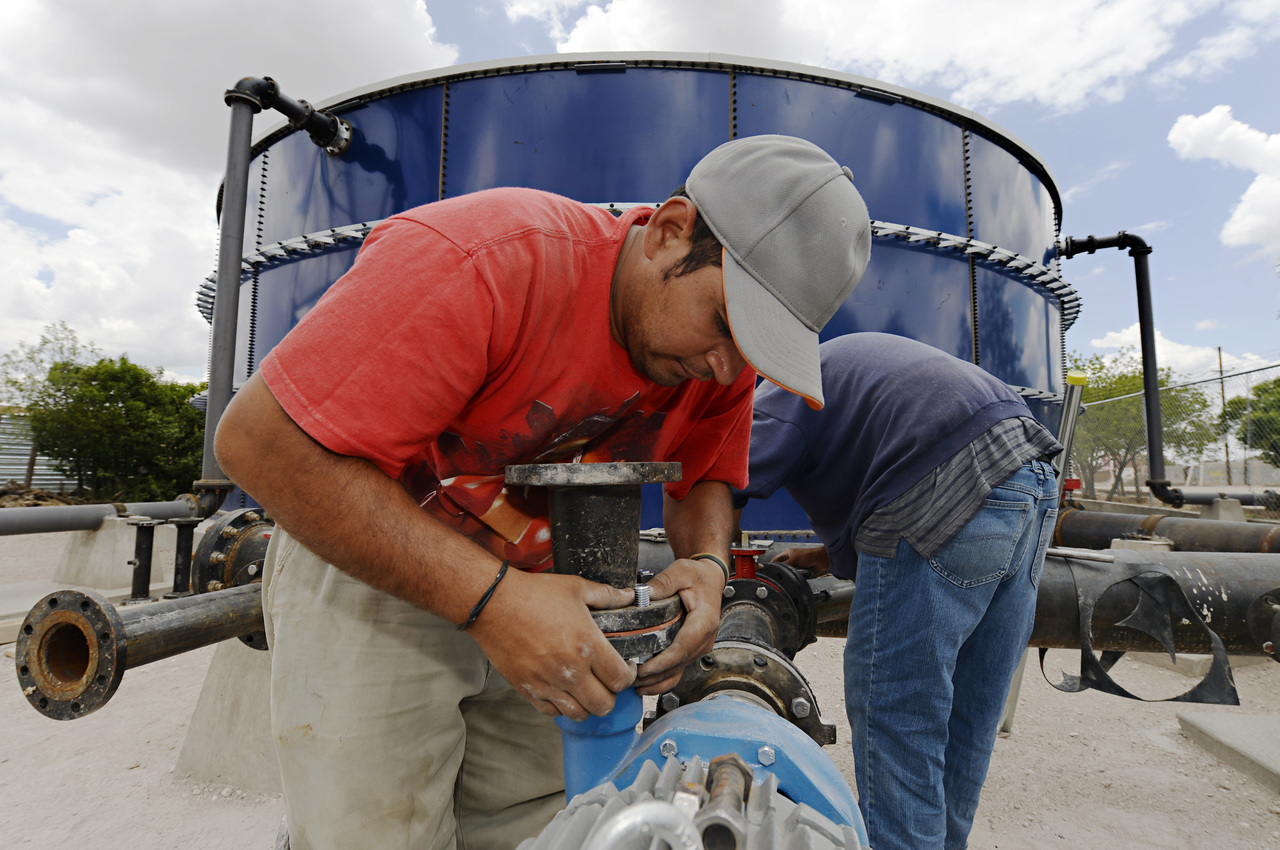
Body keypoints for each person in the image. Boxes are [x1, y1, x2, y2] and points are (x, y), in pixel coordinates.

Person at [213, 134, 872, 850]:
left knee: (550, 830)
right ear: (671, 232)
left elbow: (707, 468)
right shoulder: (485, 259)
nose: (725, 368)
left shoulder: (719, 359)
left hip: (541, 597)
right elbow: (259, 443)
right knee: (369, 832)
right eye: (724, 325)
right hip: (373, 571)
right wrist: (492, 602)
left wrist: (710, 569)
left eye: (752, 353)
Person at [732, 332, 1061, 850]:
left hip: (942, 479)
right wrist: (823, 556)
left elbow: (730, 476)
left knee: (898, 716)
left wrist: (713, 572)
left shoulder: (778, 390)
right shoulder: (852, 372)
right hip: (1031, 478)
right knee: (966, 720)